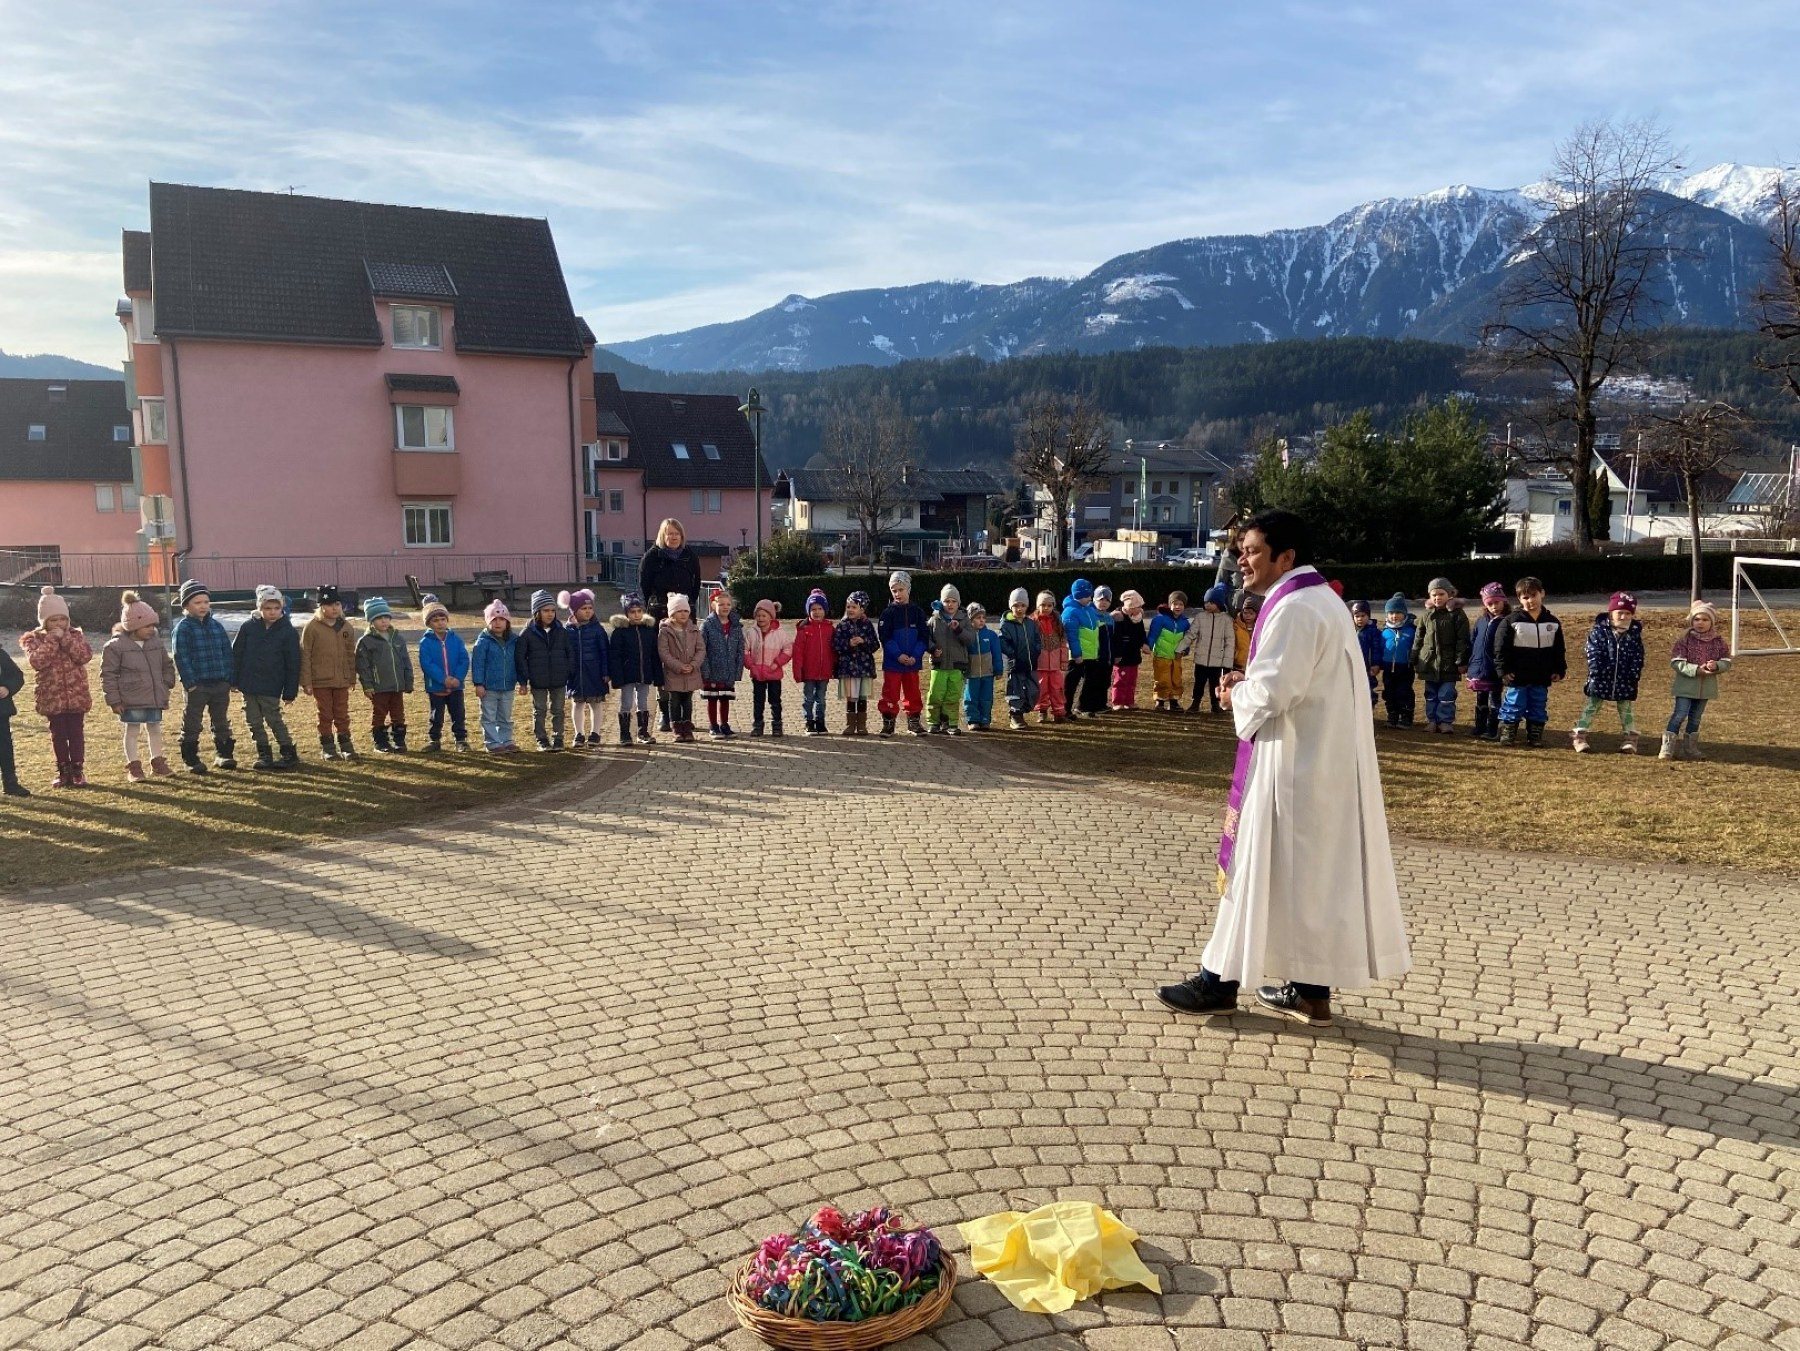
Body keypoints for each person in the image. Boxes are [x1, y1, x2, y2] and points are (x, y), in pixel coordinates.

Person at [1158, 509, 1410, 1028]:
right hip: (1320, 761)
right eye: (1240, 551)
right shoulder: (1322, 599)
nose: (1241, 560)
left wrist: (1234, 693)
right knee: (1307, 880)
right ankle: (1311, 992)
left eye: (1251, 551)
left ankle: (1217, 982)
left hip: (1291, 765)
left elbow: (1274, 690)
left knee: (1253, 868)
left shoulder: (1295, 607)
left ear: (1285, 557)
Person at [20, 586, 94, 788]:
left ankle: (78, 769)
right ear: (44, 622)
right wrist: (52, 640)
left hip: (76, 693)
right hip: (52, 694)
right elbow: (37, 661)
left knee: (76, 732)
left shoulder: (75, 636)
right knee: (58, 734)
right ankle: (63, 770)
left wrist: (66, 639)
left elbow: (84, 656)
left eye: (63, 619)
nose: (59, 624)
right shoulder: (34, 640)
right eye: (54, 620)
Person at [101, 590, 178, 781]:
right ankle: (134, 766)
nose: (151, 629)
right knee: (133, 730)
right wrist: (114, 700)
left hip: (153, 696)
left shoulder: (155, 643)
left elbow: (166, 664)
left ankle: (158, 761)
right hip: (130, 698)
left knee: (155, 728)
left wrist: (167, 681)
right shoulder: (115, 647)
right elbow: (108, 675)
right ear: (133, 626)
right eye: (146, 626)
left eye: (153, 625)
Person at [640, 519, 703, 731]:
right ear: (662, 536)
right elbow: (645, 587)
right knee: (664, 663)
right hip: (659, 615)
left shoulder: (689, 556)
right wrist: (660, 606)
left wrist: (686, 606)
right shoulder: (652, 557)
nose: (673, 537)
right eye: (669, 534)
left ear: (682, 535)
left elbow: (696, 585)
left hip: (685, 614)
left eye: (676, 533)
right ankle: (665, 714)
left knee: (685, 658)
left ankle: (685, 714)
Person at [170, 579, 237, 773]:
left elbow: (227, 653)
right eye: (197, 603)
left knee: (221, 720)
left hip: (219, 684)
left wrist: (229, 679)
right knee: (192, 722)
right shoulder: (183, 629)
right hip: (197, 686)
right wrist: (190, 683)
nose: (203, 606)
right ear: (186, 606)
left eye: (206, 602)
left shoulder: (216, 626)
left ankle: (224, 754)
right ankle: (191, 758)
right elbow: (181, 657)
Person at [234, 585, 302, 771]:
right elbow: (237, 653)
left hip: (272, 685)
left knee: (274, 719)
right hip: (248, 685)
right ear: (259, 608)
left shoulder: (287, 632)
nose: (272, 612)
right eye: (267, 608)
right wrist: (234, 679)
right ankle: (264, 754)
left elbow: (293, 663)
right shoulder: (248, 627)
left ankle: (288, 752)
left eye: (276, 608)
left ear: (282, 608)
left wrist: (290, 691)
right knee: (253, 721)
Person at [1495, 576, 1565, 748]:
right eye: (1525, 597)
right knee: (1514, 703)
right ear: (1519, 599)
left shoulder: (1553, 622)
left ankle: (1535, 734)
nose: (1530, 600)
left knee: (1538, 704)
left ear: (1542, 594)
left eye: (1534, 595)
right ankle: (1508, 732)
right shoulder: (1511, 621)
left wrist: (1559, 668)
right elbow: (1500, 648)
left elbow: (1559, 649)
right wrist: (1503, 670)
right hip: (1517, 674)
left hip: (1541, 674)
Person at [1573, 591, 1645, 754]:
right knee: (1592, 706)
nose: (1623, 617)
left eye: (1628, 613)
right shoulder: (1599, 632)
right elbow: (1592, 652)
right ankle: (1580, 735)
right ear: (1611, 613)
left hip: (1625, 680)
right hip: (1601, 678)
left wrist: (1633, 674)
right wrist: (1597, 672)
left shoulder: (1634, 635)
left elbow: (1638, 656)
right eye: (1620, 613)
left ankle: (1630, 739)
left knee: (1626, 709)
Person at [1663, 600, 1731, 761]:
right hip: (1685, 686)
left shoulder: (1718, 642)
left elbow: (1727, 661)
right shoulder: (1684, 640)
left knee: (1696, 717)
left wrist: (1716, 666)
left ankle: (1690, 748)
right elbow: (1676, 662)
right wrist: (1695, 670)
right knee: (1679, 714)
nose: (1700, 623)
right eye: (1697, 619)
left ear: (1712, 622)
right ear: (1691, 621)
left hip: (1706, 688)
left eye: (1705, 619)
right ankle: (1667, 747)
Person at [300, 584, 358, 762]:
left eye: (337, 604)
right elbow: (305, 654)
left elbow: (350, 654)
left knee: (342, 714)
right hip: (321, 681)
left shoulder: (346, 627)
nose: (334, 608)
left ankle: (346, 746)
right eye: (329, 604)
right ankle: (328, 747)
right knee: (325, 715)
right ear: (321, 606)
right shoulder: (312, 627)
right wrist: (307, 681)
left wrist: (351, 676)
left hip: (341, 680)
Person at [517, 589, 574, 751]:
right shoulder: (527, 634)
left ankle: (558, 738)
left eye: (553, 610)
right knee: (540, 710)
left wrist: (569, 671)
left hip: (558, 678)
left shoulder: (561, 632)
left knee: (558, 710)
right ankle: (541, 739)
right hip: (538, 680)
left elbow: (569, 652)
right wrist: (524, 679)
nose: (550, 614)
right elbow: (521, 658)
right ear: (537, 612)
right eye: (545, 610)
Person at [1412, 578, 1471, 734]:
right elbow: (1419, 637)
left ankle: (1445, 721)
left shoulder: (1457, 614)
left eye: (1441, 594)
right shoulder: (1426, 615)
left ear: (1450, 594)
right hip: (1429, 662)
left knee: (1446, 694)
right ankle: (1432, 720)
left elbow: (1462, 639)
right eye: (1434, 594)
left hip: (1449, 662)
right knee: (1430, 694)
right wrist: (1414, 655)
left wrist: (1461, 659)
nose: (1437, 597)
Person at [357, 596, 415, 753]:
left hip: (397, 686)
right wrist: (367, 685)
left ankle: (399, 741)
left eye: (386, 617)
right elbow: (363, 666)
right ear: (371, 621)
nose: (384, 621)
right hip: (379, 686)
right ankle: (381, 742)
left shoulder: (398, 638)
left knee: (398, 714)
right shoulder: (366, 641)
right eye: (379, 618)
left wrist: (408, 681)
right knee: (380, 713)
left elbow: (405, 661)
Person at [878, 570, 932, 737]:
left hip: (912, 663)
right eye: (894, 590)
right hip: (894, 663)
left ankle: (914, 721)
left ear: (908, 589)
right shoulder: (888, 613)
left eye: (901, 590)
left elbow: (924, 637)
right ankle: (888, 723)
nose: (897, 594)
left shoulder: (918, 612)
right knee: (890, 693)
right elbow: (885, 638)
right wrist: (898, 655)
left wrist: (915, 655)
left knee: (913, 692)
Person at [607, 592, 662, 746]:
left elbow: (654, 654)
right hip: (627, 675)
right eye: (632, 612)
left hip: (644, 673)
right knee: (626, 703)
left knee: (643, 702)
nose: (636, 615)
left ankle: (643, 732)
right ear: (626, 613)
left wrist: (658, 675)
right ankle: (625, 734)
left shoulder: (649, 630)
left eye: (639, 611)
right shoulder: (619, 633)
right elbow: (615, 656)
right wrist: (617, 677)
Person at [419, 598, 473, 752]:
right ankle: (434, 740)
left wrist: (458, 678)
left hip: (456, 686)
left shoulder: (456, 639)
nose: (440, 623)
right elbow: (427, 664)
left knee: (458, 713)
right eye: (435, 620)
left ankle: (461, 740)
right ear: (429, 623)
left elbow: (464, 659)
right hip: (436, 686)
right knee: (436, 715)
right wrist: (443, 679)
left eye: (443, 619)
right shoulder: (425, 642)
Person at [560, 588, 611, 748]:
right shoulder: (567, 631)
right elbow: (564, 653)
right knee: (578, 704)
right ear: (574, 610)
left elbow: (605, 652)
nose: (588, 611)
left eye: (590, 608)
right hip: (575, 675)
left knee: (596, 704)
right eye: (583, 608)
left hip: (595, 673)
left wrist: (605, 672)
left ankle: (595, 733)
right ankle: (579, 733)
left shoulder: (597, 629)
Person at [471, 600, 522, 753]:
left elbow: (518, 662)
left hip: (507, 686)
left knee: (506, 716)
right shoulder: (483, 642)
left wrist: (522, 681)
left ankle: (506, 740)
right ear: (488, 622)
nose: (498, 623)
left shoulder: (513, 641)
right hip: (489, 687)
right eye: (494, 620)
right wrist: (479, 683)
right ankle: (493, 742)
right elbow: (478, 664)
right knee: (489, 716)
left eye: (502, 619)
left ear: (507, 622)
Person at [657, 594, 704, 743]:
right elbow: (663, 652)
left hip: (691, 673)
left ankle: (687, 728)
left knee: (688, 701)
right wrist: (678, 666)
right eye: (679, 611)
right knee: (675, 701)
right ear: (672, 613)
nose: (683, 614)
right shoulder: (665, 631)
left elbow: (701, 649)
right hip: (673, 673)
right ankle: (677, 728)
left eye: (686, 611)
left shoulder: (694, 630)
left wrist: (693, 665)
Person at [1465, 583, 1509, 741]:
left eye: (1497, 602)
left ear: (1503, 601)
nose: (1494, 607)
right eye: (1490, 604)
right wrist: (1469, 663)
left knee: (1495, 700)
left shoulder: (1508, 621)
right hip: (1479, 668)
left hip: (1495, 669)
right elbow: (1473, 642)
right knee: (1481, 699)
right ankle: (1480, 726)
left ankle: (1492, 729)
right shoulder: (1481, 621)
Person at [927, 584, 972, 735]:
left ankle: (951, 723)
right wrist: (932, 649)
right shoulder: (935, 619)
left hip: (957, 665)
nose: (950, 604)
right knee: (936, 695)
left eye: (953, 601)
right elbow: (926, 638)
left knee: (953, 696)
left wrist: (958, 629)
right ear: (942, 602)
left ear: (958, 603)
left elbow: (970, 639)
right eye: (947, 601)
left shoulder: (964, 619)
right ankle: (934, 722)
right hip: (939, 665)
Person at [833, 590, 879, 737]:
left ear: (862, 609)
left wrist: (863, 642)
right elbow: (836, 645)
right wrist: (848, 644)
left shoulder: (867, 625)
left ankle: (862, 725)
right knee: (851, 696)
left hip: (864, 668)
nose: (850, 610)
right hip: (848, 668)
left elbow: (875, 645)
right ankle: (850, 724)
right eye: (848, 607)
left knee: (862, 696)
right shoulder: (842, 625)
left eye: (854, 607)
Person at [791, 588, 837, 735]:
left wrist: (835, 668)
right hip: (809, 672)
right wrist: (797, 672)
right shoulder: (804, 630)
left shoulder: (830, 629)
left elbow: (835, 651)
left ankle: (820, 722)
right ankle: (809, 722)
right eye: (813, 609)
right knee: (809, 698)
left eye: (820, 608)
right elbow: (797, 653)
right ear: (808, 611)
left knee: (821, 699)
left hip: (824, 672)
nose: (817, 612)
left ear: (825, 610)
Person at [744, 598, 793, 736]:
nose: (761, 618)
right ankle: (758, 725)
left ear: (771, 617)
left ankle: (777, 725)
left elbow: (788, 649)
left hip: (773, 673)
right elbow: (745, 650)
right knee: (758, 701)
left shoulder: (780, 633)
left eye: (764, 615)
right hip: (757, 673)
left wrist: (777, 663)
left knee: (775, 701)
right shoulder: (751, 632)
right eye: (758, 615)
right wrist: (750, 665)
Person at [1186, 585, 1234, 715]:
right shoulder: (1200, 617)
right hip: (1201, 659)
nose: (1207, 605)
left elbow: (1230, 642)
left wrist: (1227, 664)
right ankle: (1195, 703)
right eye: (1206, 602)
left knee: (1215, 684)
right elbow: (1191, 634)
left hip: (1216, 662)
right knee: (1199, 683)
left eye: (1211, 602)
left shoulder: (1226, 620)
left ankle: (1215, 705)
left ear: (1218, 604)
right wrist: (1181, 648)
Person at [999, 587, 1041, 731]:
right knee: (1016, 691)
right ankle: (1015, 715)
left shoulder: (1030, 624)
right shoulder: (1006, 624)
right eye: (1016, 605)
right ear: (1011, 606)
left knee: (1033, 690)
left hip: (1030, 664)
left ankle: (1024, 709)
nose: (1019, 609)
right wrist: (1013, 655)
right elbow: (1003, 642)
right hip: (1016, 665)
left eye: (1022, 605)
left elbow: (1036, 639)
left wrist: (1036, 651)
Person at [1061, 578, 1103, 718]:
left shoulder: (1089, 609)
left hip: (1091, 653)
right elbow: (1071, 636)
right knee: (1071, 683)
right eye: (1087, 596)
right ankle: (1065, 709)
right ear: (1078, 595)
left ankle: (1083, 706)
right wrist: (1077, 654)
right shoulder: (1070, 613)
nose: (1090, 598)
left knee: (1090, 680)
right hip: (1077, 656)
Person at [1147, 592, 1191, 713]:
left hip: (1176, 656)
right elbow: (1153, 635)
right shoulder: (1160, 619)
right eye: (1175, 603)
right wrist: (1149, 646)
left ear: (1184, 606)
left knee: (1176, 679)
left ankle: (1174, 701)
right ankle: (1160, 701)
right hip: (1162, 655)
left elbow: (1187, 638)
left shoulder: (1185, 622)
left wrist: (1185, 649)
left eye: (1181, 604)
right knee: (1162, 679)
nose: (1178, 607)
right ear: (1170, 604)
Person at [1378, 594, 1417, 729]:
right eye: (1391, 613)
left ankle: (1406, 716)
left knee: (1404, 691)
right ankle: (1392, 715)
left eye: (1398, 612)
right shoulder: (1384, 632)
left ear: (1404, 613)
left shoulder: (1411, 630)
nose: (1394, 616)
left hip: (1405, 667)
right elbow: (1379, 648)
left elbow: (1417, 647)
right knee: (1389, 692)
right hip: (1388, 668)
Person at [963, 603, 1003, 731]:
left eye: (983, 617)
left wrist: (998, 670)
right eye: (977, 618)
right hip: (972, 673)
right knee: (971, 697)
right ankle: (973, 719)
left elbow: (997, 654)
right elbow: (963, 653)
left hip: (988, 673)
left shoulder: (991, 635)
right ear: (970, 620)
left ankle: (985, 718)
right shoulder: (967, 636)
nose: (981, 620)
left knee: (986, 697)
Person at [1033, 589, 1069, 723]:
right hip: (1040, 663)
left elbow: (1063, 642)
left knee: (1057, 688)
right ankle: (1042, 711)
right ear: (1038, 606)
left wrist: (1064, 660)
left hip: (1055, 664)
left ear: (1053, 606)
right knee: (1041, 689)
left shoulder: (1058, 622)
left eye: (1049, 605)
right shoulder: (1033, 622)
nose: (1046, 608)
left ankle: (1059, 712)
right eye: (1043, 605)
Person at [1109, 589, 1148, 711]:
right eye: (1137, 607)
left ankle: (1129, 701)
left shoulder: (1138, 617)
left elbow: (1141, 633)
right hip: (1122, 656)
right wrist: (1117, 653)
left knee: (1131, 680)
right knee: (1120, 680)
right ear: (1130, 607)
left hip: (1134, 654)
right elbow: (1115, 637)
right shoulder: (1118, 618)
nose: (1139, 609)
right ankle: (1118, 701)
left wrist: (1144, 643)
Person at [0, 642, 26, 796]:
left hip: (1, 713)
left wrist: (7, 687)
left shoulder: (1, 655)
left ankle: (10, 783)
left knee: (5, 750)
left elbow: (16, 675)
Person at [1350, 600, 1383, 710]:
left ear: (1368, 615)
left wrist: (1376, 664)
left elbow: (1376, 649)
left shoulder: (1373, 632)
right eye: (1357, 616)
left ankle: (1369, 710)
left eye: (1363, 615)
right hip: (1354, 667)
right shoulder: (1350, 631)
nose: (1360, 618)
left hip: (1368, 667)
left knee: (1368, 688)